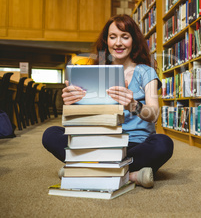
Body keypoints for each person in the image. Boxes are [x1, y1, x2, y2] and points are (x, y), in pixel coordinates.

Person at [42, 14, 174, 188]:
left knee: (163, 144)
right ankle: (130, 175)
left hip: (134, 143)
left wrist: (133, 105)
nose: (118, 43)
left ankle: (86, 170)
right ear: (106, 41)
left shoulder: (146, 71)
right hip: (101, 141)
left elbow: (154, 114)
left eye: (125, 37)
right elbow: (83, 120)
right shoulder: (95, 71)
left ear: (133, 40)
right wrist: (73, 103)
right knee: (50, 134)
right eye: (113, 37)